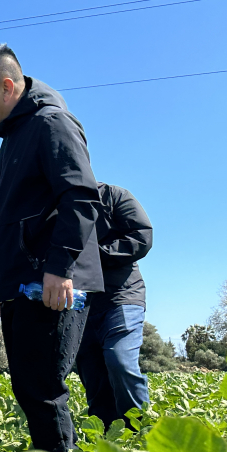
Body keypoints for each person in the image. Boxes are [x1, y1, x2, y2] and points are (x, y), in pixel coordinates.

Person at [0, 44, 103, 452]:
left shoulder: (50, 124)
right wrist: (3, 292)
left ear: (6, 86)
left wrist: (59, 268)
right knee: (31, 389)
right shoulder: (14, 138)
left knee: (43, 391)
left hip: (51, 285)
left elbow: (80, 197)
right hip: (24, 288)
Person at [76, 182, 153, 427]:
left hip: (122, 295)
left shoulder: (114, 196)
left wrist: (93, 257)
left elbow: (141, 236)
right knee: (93, 374)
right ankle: (108, 437)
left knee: (119, 359)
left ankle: (138, 429)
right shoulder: (56, 205)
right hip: (80, 302)